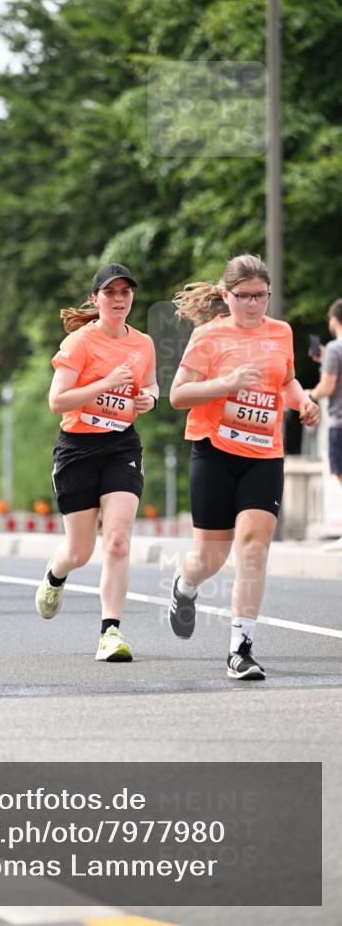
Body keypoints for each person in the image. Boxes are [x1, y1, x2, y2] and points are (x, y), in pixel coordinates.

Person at [169, 254, 320, 680]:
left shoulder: (281, 332)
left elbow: (285, 381)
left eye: (261, 296)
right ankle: (185, 585)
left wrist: (303, 402)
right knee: (210, 558)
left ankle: (240, 649)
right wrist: (226, 384)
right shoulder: (208, 336)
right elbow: (178, 395)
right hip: (215, 451)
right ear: (226, 295)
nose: (253, 304)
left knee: (254, 547)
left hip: (264, 454)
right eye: (244, 296)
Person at [34, 263, 158, 662]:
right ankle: (56, 573)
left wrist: (150, 398)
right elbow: (57, 401)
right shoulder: (79, 342)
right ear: (95, 299)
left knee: (118, 541)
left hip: (122, 446)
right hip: (78, 450)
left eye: (125, 292)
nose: (119, 299)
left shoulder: (143, 343)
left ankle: (110, 632)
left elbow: (151, 383)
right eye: (110, 292)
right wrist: (105, 383)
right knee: (80, 551)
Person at [307, 298, 342, 549]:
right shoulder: (331, 352)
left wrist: (310, 396)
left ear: (334, 320)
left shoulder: (334, 348)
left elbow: (328, 387)